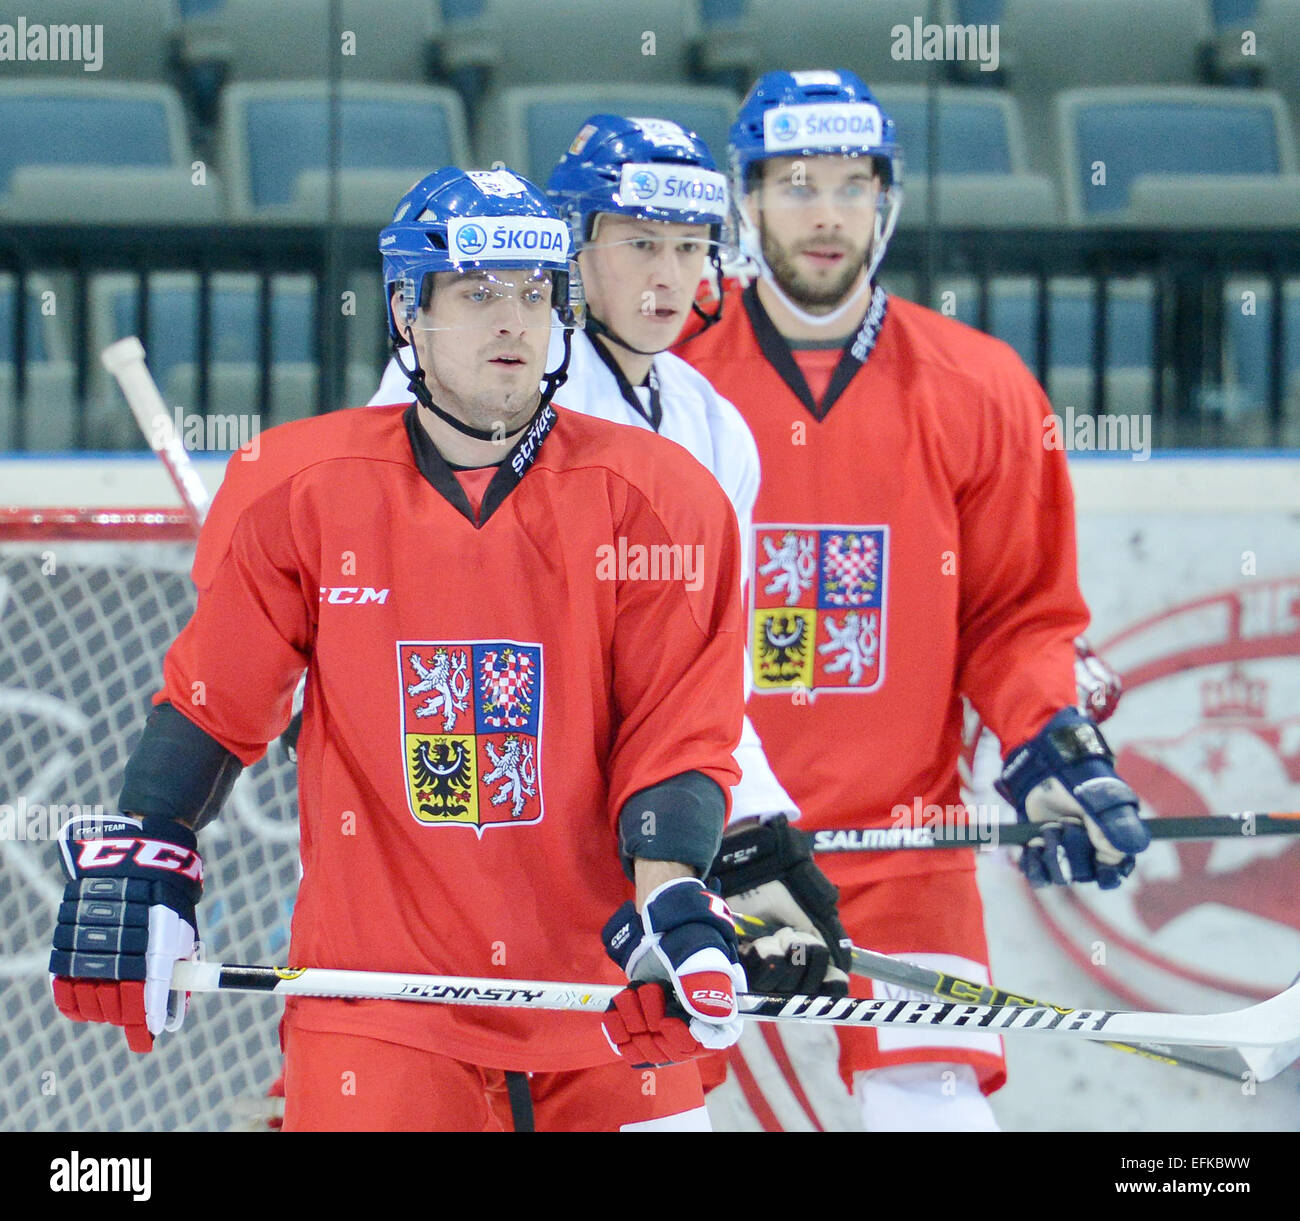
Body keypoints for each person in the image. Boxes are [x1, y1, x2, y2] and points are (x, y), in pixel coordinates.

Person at [48, 167, 751, 1132]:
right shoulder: (304, 487)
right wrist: (148, 849)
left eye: (535, 294)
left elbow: (677, 738)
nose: (513, 320)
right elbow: (216, 702)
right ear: (406, 313)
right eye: (477, 293)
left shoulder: (662, 499)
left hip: (603, 997)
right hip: (375, 1001)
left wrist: (674, 907)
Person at [677, 69, 1151, 1132]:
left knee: (931, 1106)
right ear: (744, 200)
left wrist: (1050, 752)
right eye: (796, 184)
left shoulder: (979, 387)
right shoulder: (668, 379)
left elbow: (1018, 619)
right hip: (696, 840)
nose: (827, 213)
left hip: (903, 842)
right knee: (655, 1113)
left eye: (854, 184)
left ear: (886, 202)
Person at [370, 116, 855, 999]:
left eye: (689, 246)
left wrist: (749, 825)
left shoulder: (717, 428)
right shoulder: (499, 374)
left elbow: (702, 671)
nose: (669, 274)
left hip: (632, 826)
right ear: (576, 249)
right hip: (486, 804)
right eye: (639, 243)